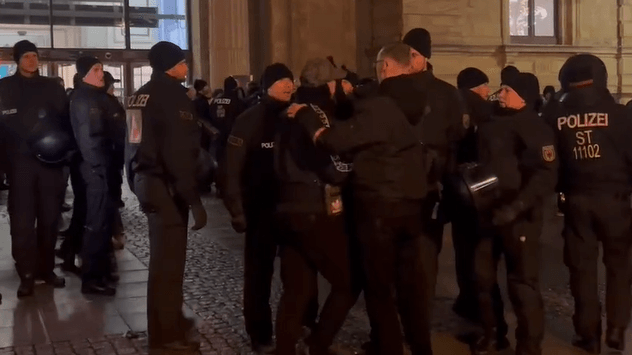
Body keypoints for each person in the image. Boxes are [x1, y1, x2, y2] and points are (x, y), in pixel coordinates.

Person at [287, 42, 431, 355]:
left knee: (378, 289)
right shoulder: (424, 96)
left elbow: (339, 140)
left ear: (387, 67)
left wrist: (307, 119)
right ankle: (422, 348)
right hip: (412, 202)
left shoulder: (382, 104)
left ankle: (388, 348)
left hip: (380, 205)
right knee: (411, 288)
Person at [221, 63, 317, 354]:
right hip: (260, 210)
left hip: (294, 209)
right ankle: (259, 332)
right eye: (282, 81)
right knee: (258, 275)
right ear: (267, 86)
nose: (289, 85)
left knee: (301, 272)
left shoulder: (300, 115)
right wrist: (236, 208)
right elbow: (231, 167)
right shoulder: (250, 119)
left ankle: (304, 322)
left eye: (291, 80)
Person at [274, 58, 360, 355]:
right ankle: (318, 343)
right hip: (315, 210)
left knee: (297, 289)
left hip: (287, 207)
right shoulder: (318, 113)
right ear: (328, 84)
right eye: (339, 81)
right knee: (348, 282)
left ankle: (285, 348)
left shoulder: (290, 110)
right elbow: (335, 167)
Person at [126, 41, 206, 352]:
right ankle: (166, 336)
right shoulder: (174, 96)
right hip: (167, 186)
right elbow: (178, 153)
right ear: (171, 65)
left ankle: (165, 325)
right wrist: (194, 199)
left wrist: (136, 183)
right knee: (169, 266)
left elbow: (131, 145)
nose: (187, 68)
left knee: (161, 264)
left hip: (147, 182)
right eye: (183, 62)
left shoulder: (138, 95)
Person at [472, 72, 558, 355]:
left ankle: (529, 344)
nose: (501, 94)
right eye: (502, 89)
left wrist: (518, 206)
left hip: (520, 216)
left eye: (507, 90)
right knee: (482, 277)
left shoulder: (535, 127)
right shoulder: (491, 123)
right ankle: (494, 333)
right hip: (488, 212)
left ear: (523, 95)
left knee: (522, 282)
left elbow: (545, 174)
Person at [552, 55, 632, 354]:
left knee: (582, 270)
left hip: (577, 202)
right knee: (619, 268)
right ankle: (616, 327)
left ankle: (588, 334)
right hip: (616, 202)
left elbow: (551, 162)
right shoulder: (621, 115)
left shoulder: (557, 115)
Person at [0, 40, 70, 298]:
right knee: (22, 223)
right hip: (19, 167)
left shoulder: (52, 87)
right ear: (17, 60)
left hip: (50, 166)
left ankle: (46, 270)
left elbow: (66, 123)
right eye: (26, 56)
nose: (31, 60)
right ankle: (26, 274)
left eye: (34, 55)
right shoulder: (4, 88)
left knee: (50, 220)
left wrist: (65, 154)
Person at [70, 57, 119, 295]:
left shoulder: (97, 97)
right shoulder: (82, 99)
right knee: (96, 223)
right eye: (96, 69)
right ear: (85, 73)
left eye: (101, 68)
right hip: (94, 168)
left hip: (104, 166)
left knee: (103, 221)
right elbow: (86, 137)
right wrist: (97, 168)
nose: (101, 73)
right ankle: (91, 278)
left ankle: (100, 272)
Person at [450, 66, 494, 323]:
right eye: (486, 85)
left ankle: (465, 296)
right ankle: (480, 304)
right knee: (480, 249)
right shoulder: (483, 108)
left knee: (461, 246)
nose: (489, 91)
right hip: (480, 186)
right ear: (478, 87)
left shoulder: (449, 103)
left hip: (456, 184)